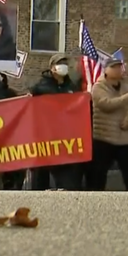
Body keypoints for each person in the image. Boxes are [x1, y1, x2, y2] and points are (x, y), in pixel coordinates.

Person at [28, 54, 85, 190]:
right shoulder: (40, 87)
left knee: (68, 183)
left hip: (64, 142)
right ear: (52, 68)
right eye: (60, 63)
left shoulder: (72, 87)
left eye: (65, 63)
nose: (64, 66)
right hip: (44, 140)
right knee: (40, 180)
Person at [89, 58, 128, 191]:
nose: (118, 69)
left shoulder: (126, 87)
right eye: (114, 67)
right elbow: (107, 104)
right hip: (104, 137)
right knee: (99, 173)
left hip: (125, 139)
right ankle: (96, 200)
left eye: (119, 66)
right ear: (106, 70)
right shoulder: (98, 87)